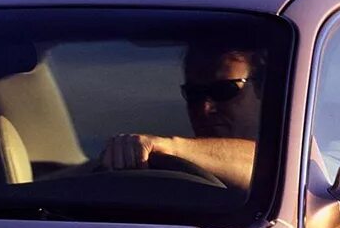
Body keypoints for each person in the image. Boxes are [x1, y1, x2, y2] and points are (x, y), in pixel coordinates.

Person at [97, 41, 263, 191]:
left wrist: (167, 148)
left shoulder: (285, 169)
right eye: (193, 94)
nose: (205, 107)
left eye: (223, 90)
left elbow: (270, 167)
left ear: (262, 89)